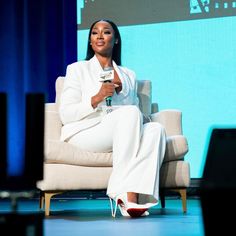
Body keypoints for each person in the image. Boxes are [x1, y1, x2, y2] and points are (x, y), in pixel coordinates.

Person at [59, 19, 166, 217]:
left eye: (106, 32)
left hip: (122, 130)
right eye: (94, 33)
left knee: (156, 129)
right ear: (90, 41)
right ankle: (121, 192)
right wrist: (97, 97)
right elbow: (66, 114)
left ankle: (133, 199)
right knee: (130, 113)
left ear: (115, 40)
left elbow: (133, 112)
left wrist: (144, 120)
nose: (99, 36)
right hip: (86, 131)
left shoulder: (128, 74)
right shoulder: (77, 69)